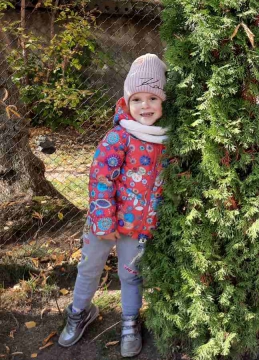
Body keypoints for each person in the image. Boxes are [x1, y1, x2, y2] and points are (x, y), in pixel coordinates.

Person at [58, 54, 169, 358]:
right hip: (103, 224)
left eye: (152, 98)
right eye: (137, 99)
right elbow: (100, 179)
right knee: (90, 267)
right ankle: (80, 312)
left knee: (131, 274)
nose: (145, 105)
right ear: (126, 101)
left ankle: (130, 322)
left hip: (137, 227)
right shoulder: (118, 136)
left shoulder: (166, 141)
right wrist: (103, 222)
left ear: (163, 101)